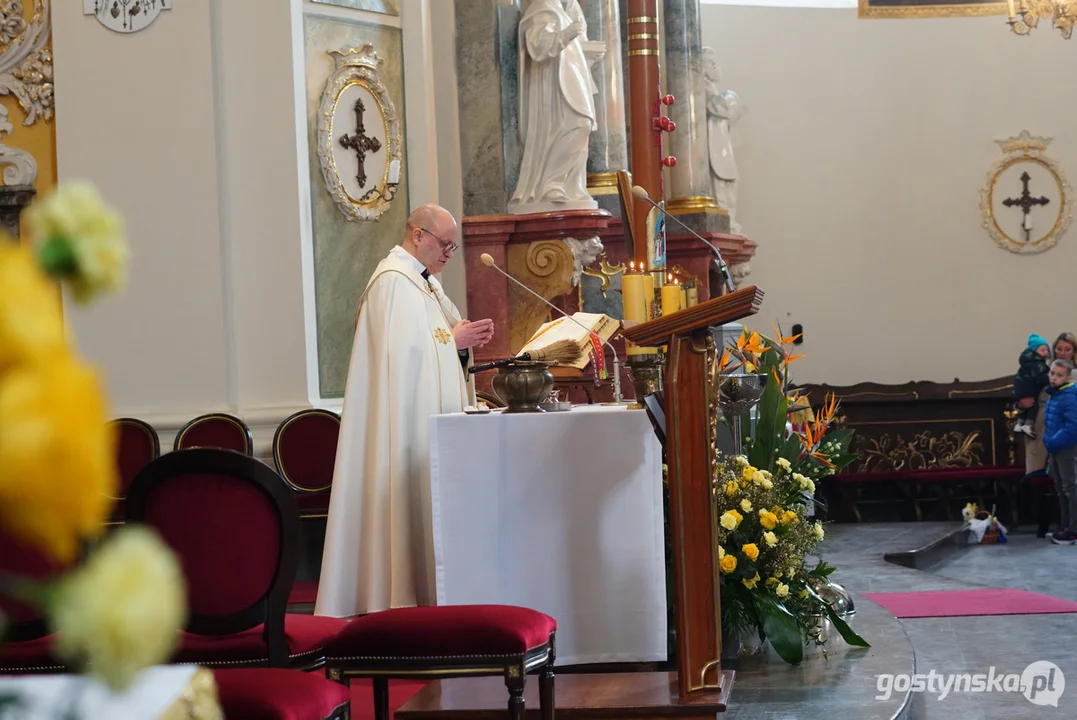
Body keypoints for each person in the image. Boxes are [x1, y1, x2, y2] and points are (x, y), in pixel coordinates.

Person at [315, 205, 495, 617]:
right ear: (418, 235)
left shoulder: (423, 284)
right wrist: (453, 340)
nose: (450, 253)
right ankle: (398, 598)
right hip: (404, 431)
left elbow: (431, 347)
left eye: (454, 246)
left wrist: (460, 344)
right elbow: (402, 359)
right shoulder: (392, 283)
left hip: (425, 426)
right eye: (445, 244)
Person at [509, 0, 598, 213]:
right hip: (553, 89)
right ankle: (550, 183)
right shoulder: (542, 8)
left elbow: (573, 52)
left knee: (582, 125)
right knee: (578, 124)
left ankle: (571, 184)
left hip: (571, 79)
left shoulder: (565, 11)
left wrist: (589, 52)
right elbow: (538, 47)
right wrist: (567, 34)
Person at [1043, 358, 1077, 545]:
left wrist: (1054, 441)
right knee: (1060, 488)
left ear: (1068, 378)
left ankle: (1074, 529)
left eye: (1059, 375)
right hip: (1056, 447)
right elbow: (1051, 422)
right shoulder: (1055, 395)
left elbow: (1073, 426)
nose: (1054, 378)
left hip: (1067, 447)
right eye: (1052, 373)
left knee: (1070, 488)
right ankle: (1064, 524)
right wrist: (1048, 440)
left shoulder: (1070, 396)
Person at [1013, 334, 1051, 437]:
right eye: (1042, 350)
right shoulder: (1039, 365)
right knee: (1031, 404)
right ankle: (1027, 424)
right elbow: (1041, 378)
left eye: (1047, 350)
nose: (1046, 352)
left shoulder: (1028, 363)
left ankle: (1019, 423)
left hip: (1020, 389)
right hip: (1031, 392)